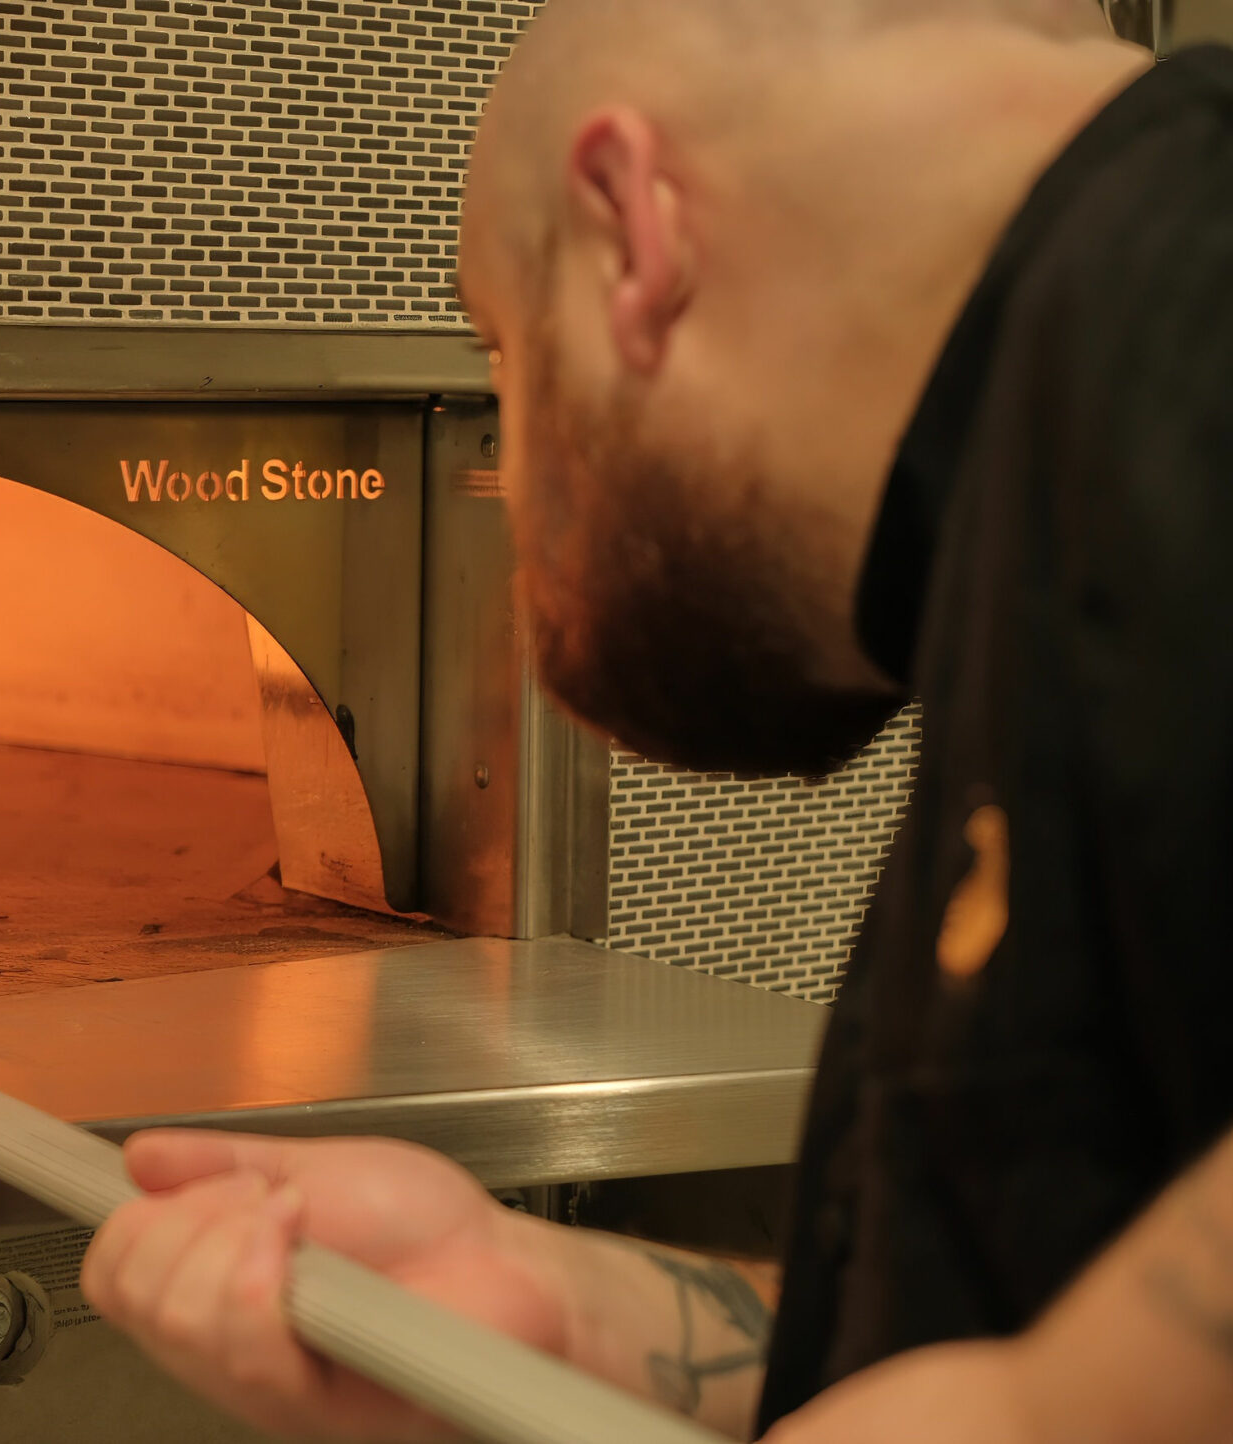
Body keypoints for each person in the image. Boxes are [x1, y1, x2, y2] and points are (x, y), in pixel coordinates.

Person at [79, 0, 1233, 1438]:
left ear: (634, 233)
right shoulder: (1049, 492)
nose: (516, 461)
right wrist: (568, 1310)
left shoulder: (1190, 286)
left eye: (505, 349)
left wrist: (1039, 1413)